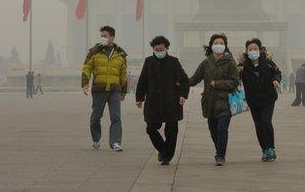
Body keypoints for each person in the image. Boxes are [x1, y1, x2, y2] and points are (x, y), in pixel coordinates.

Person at [136, 36, 189, 165]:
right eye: (156, 49)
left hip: (171, 101)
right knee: (151, 128)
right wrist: (139, 98)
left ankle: (167, 157)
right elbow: (143, 81)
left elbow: (184, 80)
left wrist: (183, 95)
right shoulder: (149, 62)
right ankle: (163, 149)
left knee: (171, 130)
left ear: (167, 48)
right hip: (153, 102)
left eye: (161, 49)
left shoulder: (173, 62)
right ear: (153, 49)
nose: (159, 51)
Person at [189, 33, 239, 166]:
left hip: (225, 102)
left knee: (222, 129)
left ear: (225, 46)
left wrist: (218, 84)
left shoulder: (230, 62)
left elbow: (235, 82)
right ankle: (219, 149)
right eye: (216, 43)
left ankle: (220, 155)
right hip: (210, 102)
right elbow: (194, 79)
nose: (219, 45)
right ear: (211, 45)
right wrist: (180, 82)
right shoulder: (206, 63)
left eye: (222, 43)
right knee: (213, 130)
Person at [82, 26, 128, 151]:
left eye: (105, 36)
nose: (103, 38)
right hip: (99, 90)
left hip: (114, 90)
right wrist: (85, 84)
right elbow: (86, 68)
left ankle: (115, 142)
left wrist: (123, 91)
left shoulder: (120, 54)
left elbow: (123, 73)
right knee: (96, 117)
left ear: (112, 37)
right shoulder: (94, 52)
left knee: (116, 117)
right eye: (101, 36)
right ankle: (96, 139)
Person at [240, 39, 282, 162]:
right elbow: (233, 75)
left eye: (255, 49)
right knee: (258, 125)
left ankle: (271, 148)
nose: (253, 51)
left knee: (266, 121)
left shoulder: (268, 63)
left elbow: (277, 72)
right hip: (253, 101)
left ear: (260, 50)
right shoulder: (243, 66)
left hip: (268, 98)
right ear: (246, 51)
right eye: (250, 49)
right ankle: (264, 149)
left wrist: (276, 80)